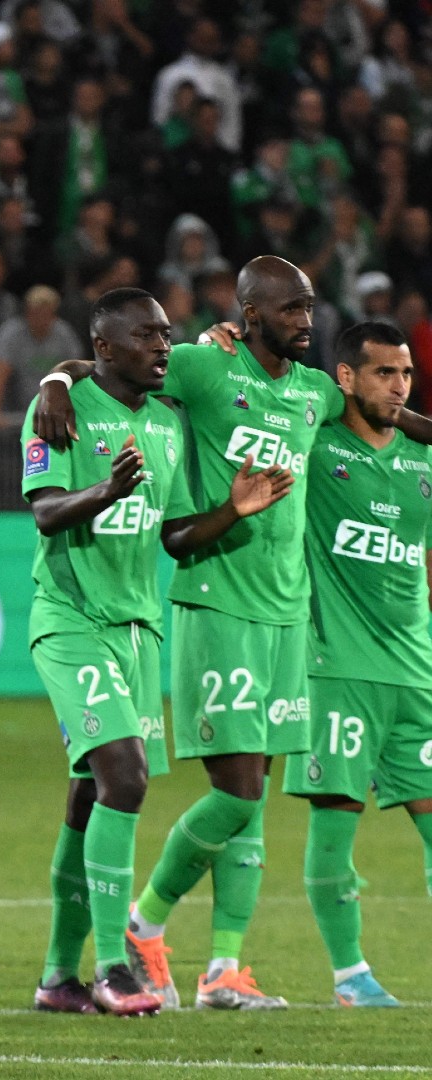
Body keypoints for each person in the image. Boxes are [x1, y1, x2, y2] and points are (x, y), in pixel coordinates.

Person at [31, 256, 432, 1009]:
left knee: (253, 798)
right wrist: (56, 378)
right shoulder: (206, 367)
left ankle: (223, 968)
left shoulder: (315, 390)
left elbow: (381, 413)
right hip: (217, 602)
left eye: (309, 307)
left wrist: (418, 422)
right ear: (250, 315)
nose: (306, 320)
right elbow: (115, 363)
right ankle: (144, 925)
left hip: (288, 614)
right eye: (291, 309)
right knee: (236, 793)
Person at [22, 288, 293, 1017]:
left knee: (90, 797)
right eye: (145, 336)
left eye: (167, 334)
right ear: (104, 348)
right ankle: (115, 966)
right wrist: (104, 489)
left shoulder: (168, 425)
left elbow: (173, 536)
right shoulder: (60, 410)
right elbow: (45, 511)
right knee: (126, 777)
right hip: (71, 621)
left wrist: (231, 511)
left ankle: (57, 977)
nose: (162, 347)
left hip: (137, 632)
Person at [280, 321, 432, 1008]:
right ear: (345, 377)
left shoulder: (421, 458)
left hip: (415, 672)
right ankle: (350, 976)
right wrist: (62, 375)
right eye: (383, 373)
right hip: (338, 667)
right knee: (336, 820)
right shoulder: (314, 446)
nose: (399, 387)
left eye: (406, 374)